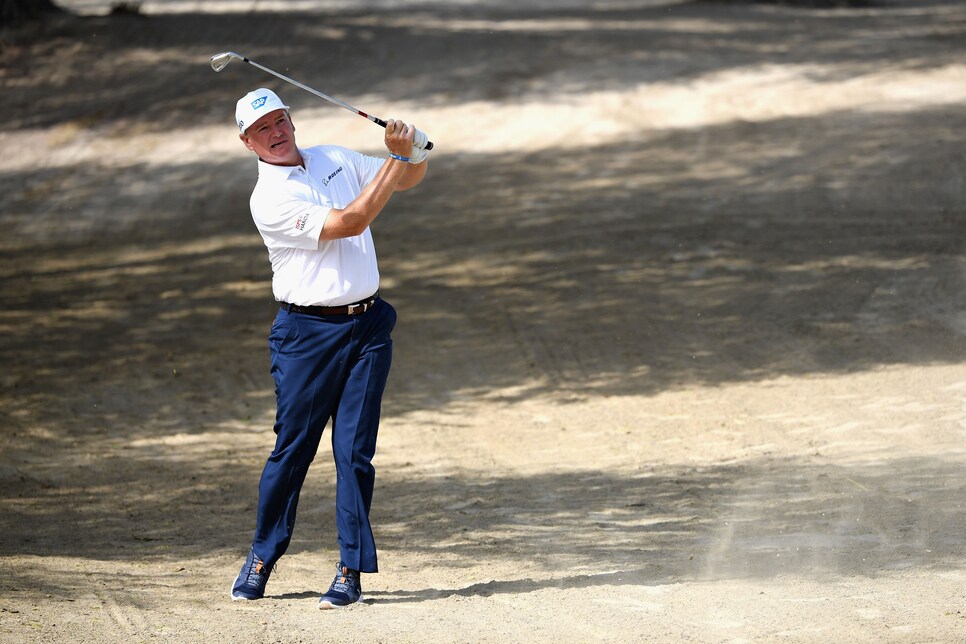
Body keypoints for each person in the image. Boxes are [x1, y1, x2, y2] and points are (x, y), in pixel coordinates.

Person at [228, 87, 428, 608]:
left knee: (354, 454)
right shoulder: (268, 198)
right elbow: (350, 223)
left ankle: (349, 570)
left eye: (279, 121)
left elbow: (407, 179)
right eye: (261, 130)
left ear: (291, 121)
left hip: (367, 328)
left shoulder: (333, 158)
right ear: (247, 142)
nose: (274, 134)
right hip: (306, 336)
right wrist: (397, 159)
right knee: (293, 449)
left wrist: (413, 149)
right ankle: (262, 554)